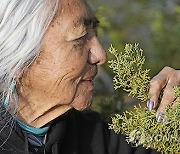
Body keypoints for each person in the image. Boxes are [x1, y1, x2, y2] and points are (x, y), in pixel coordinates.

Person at [0, 0, 178, 154]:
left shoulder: (93, 137)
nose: (101, 55)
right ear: (19, 58)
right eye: (80, 37)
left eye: (95, 34)